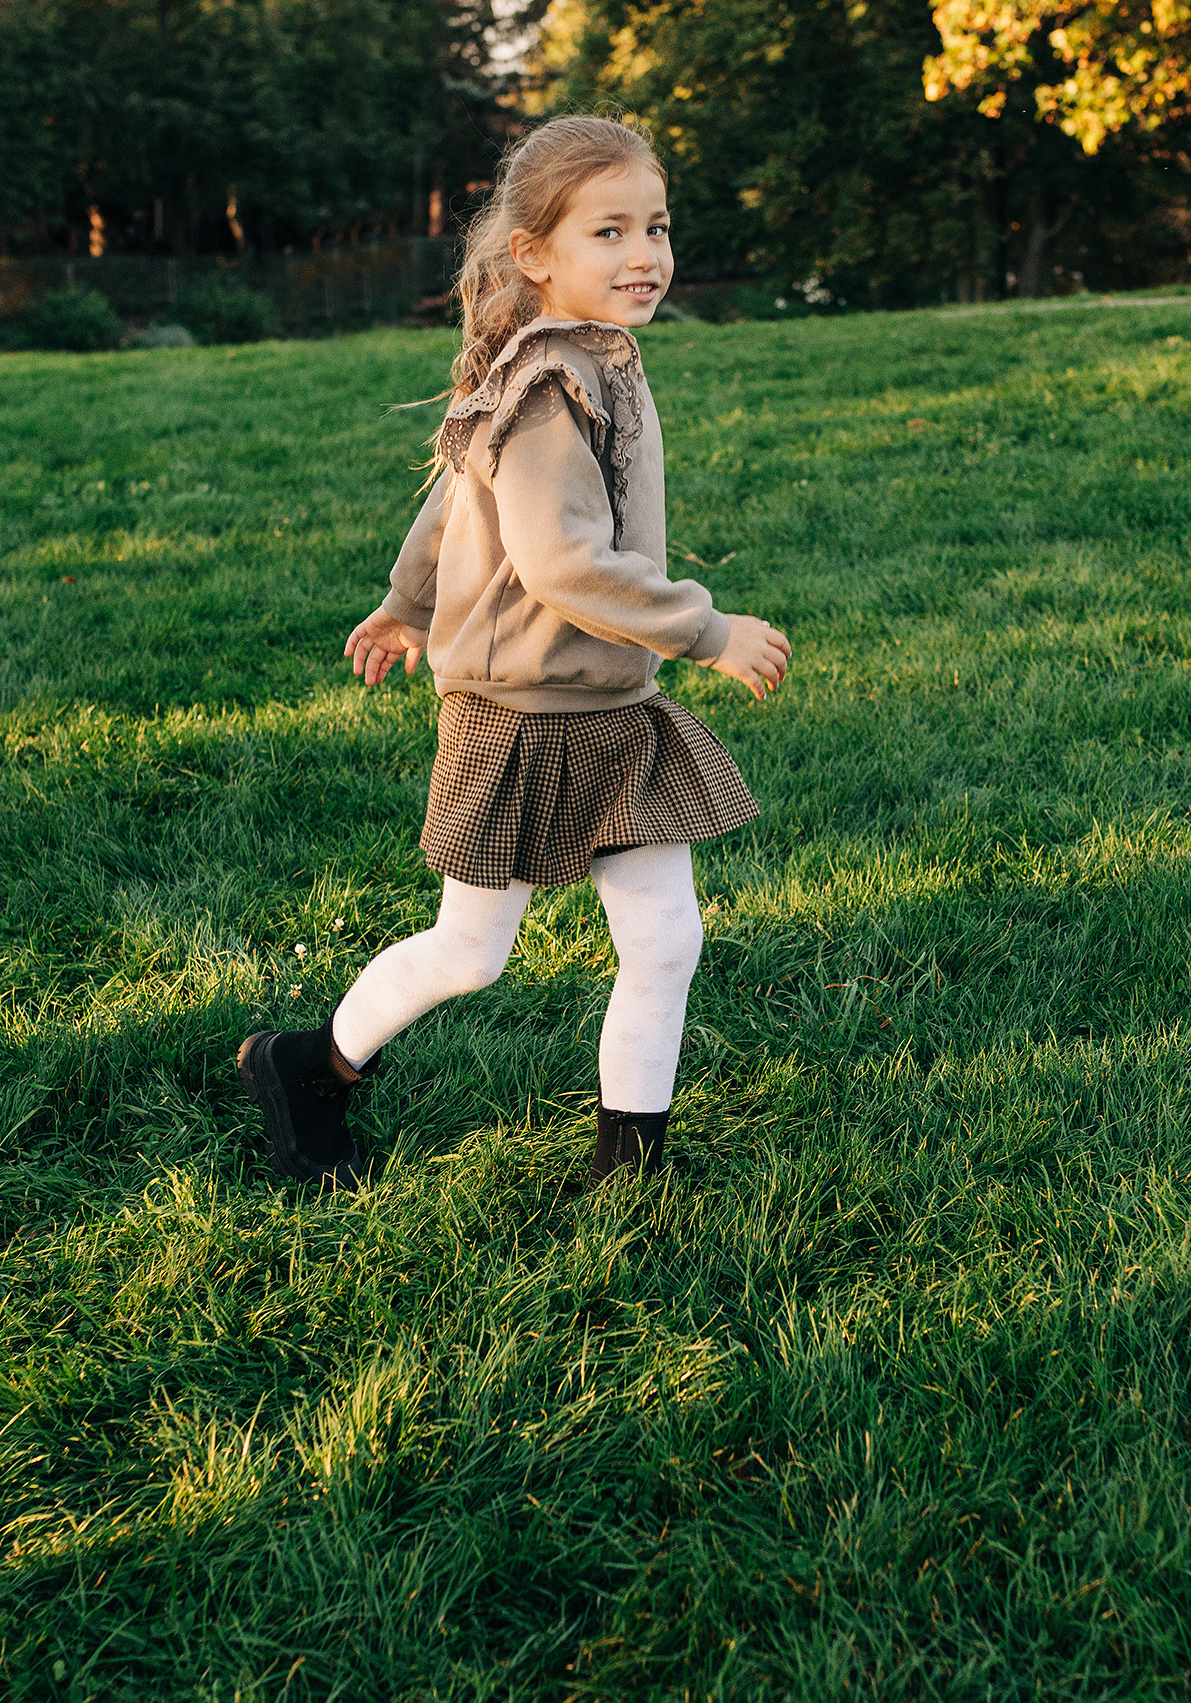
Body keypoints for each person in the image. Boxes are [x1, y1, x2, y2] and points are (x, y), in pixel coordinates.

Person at [237, 114, 791, 1191]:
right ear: (534, 254)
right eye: (608, 232)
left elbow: (454, 494)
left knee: (666, 939)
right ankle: (306, 1064)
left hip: (613, 712)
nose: (643, 256)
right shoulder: (546, 386)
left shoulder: (598, 359)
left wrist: (405, 599)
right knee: (471, 953)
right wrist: (707, 630)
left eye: (656, 228)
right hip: (519, 717)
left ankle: (627, 1167)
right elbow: (561, 565)